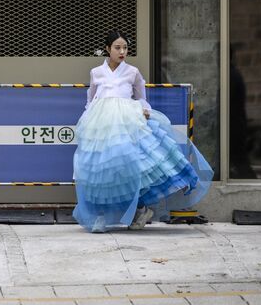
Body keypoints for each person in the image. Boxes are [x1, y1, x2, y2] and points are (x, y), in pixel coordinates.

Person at [72, 31, 213, 233]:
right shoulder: (96, 73)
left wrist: (143, 111)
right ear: (107, 49)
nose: (122, 52)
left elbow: (141, 97)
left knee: (132, 165)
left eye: (125, 48)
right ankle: (101, 215)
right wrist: (87, 122)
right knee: (102, 170)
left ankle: (140, 209)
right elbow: (91, 99)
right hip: (101, 125)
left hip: (127, 122)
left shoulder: (132, 72)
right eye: (117, 48)